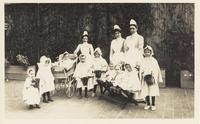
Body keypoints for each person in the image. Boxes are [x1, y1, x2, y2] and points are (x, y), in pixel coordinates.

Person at [140, 45, 163, 111]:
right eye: (145, 52)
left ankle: (153, 104)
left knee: (152, 91)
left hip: (151, 78)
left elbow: (156, 69)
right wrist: (142, 73)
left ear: (151, 52)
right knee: (146, 91)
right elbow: (141, 68)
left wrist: (152, 74)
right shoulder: (143, 60)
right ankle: (147, 104)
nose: (147, 53)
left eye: (148, 52)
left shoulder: (153, 60)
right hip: (145, 78)